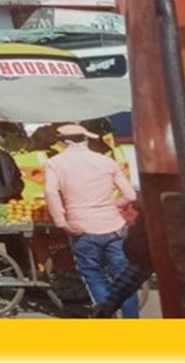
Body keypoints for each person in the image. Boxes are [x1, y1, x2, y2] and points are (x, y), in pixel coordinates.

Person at [44, 122, 140, 319]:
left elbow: (50, 192)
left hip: (82, 229)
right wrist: (113, 206)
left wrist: (61, 222)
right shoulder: (106, 162)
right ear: (86, 140)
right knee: (124, 278)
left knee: (94, 276)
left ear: (62, 142)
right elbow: (130, 195)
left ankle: (106, 320)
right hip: (113, 226)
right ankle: (132, 321)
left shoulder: (55, 163)